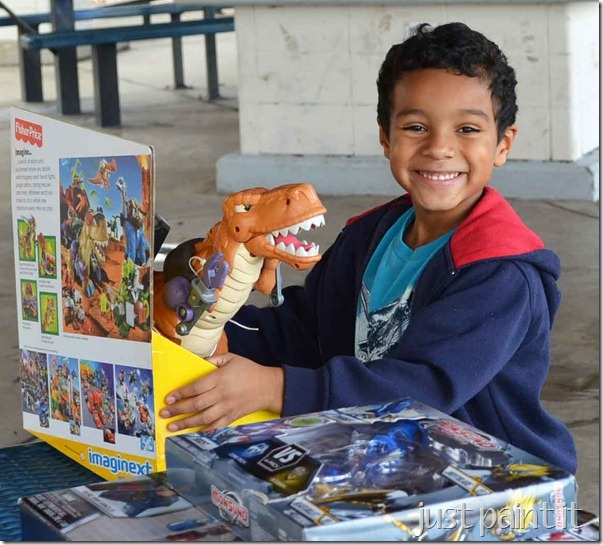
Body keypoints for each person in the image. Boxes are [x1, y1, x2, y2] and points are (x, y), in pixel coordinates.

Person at [159, 22, 577, 474]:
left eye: (467, 129)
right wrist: (206, 320)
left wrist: (273, 387)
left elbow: (422, 388)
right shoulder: (368, 236)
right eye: (416, 126)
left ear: (502, 144)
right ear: (386, 138)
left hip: (495, 478)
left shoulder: (500, 273)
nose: (439, 148)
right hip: (385, 455)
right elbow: (305, 330)